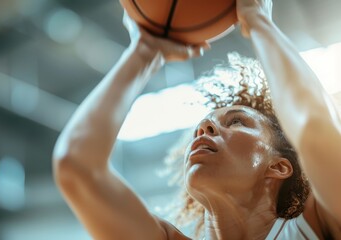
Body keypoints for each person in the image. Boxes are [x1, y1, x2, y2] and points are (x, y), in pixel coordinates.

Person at [53, 0, 341, 239]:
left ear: (278, 167)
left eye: (237, 122)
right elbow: (76, 166)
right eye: (203, 125)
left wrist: (259, 21)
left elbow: (316, 130)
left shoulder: (320, 227)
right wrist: (143, 51)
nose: (205, 127)